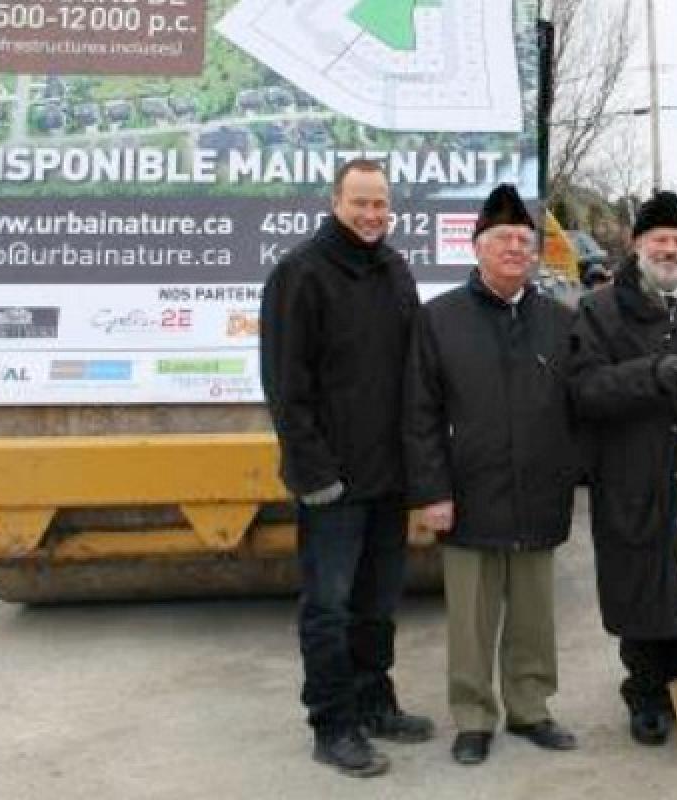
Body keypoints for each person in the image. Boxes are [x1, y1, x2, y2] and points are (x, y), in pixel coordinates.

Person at [259, 159, 434, 777]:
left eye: (380, 204)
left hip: (388, 478)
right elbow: (285, 387)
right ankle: (333, 724)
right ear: (336, 201)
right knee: (329, 607)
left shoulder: (394, 269)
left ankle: (374, 702)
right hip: (332, 482)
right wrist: (315, 475)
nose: (371, 214)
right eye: (360, 202)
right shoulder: (299, 272)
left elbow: (414, 372)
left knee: (378, 603)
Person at [404, 184, 580, 766]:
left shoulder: (559, 321)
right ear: (476, 247)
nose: (513, 248)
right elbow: (420, 413)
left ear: (535, 252)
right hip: (468, 493)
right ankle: (473, 717)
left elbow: (578, 405)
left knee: (533, 616)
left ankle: (531, 709)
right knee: (471, 622)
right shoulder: (439, 319)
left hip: (538, 492)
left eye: (523, 240)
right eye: (501, 238)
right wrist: (432, 492)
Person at [567, 190, 677, 746]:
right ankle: (644, 689)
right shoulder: (599, 310)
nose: (670, 249)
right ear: (637, 243)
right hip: (632, 471)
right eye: (660, 238)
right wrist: (649, 374)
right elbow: (584, 389)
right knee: (639, 578)